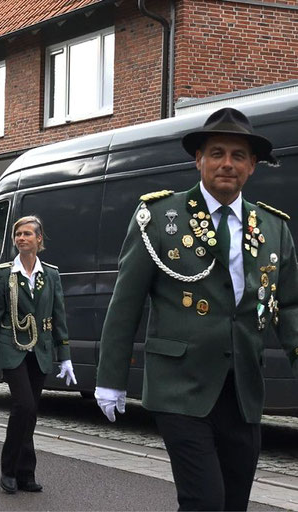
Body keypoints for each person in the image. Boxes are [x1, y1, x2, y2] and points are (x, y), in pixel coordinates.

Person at [96, 107, 298, 511]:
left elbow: (289, 307)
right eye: (217, 153)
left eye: (238, 155)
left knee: (234, 501)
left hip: (242, 388)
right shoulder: (159, 217)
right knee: (204, 500)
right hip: (180, 387)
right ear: (199, 160)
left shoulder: (273, 228)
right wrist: (110, 377)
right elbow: (126, 303)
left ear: (253, 166)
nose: (227, 163)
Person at [0, 215, 77, 493]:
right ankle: (8, 470)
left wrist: (65, 355)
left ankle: (25, 472)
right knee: (24, 406)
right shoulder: (3, 273)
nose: (21, 238)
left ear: (39, 239)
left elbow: (59, 316)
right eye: (18, 234)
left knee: (30, 413)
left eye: (27, 234)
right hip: (13, 348)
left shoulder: (51, 274)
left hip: (41, 350)